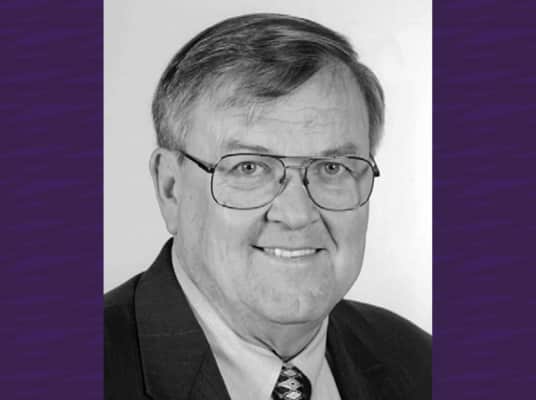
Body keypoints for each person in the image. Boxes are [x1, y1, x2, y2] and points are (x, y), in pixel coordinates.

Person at [104, 13, 431, 400]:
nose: (296, 215)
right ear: (170, 188)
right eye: (249, 168)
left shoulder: (421, 365)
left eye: (332, 168)